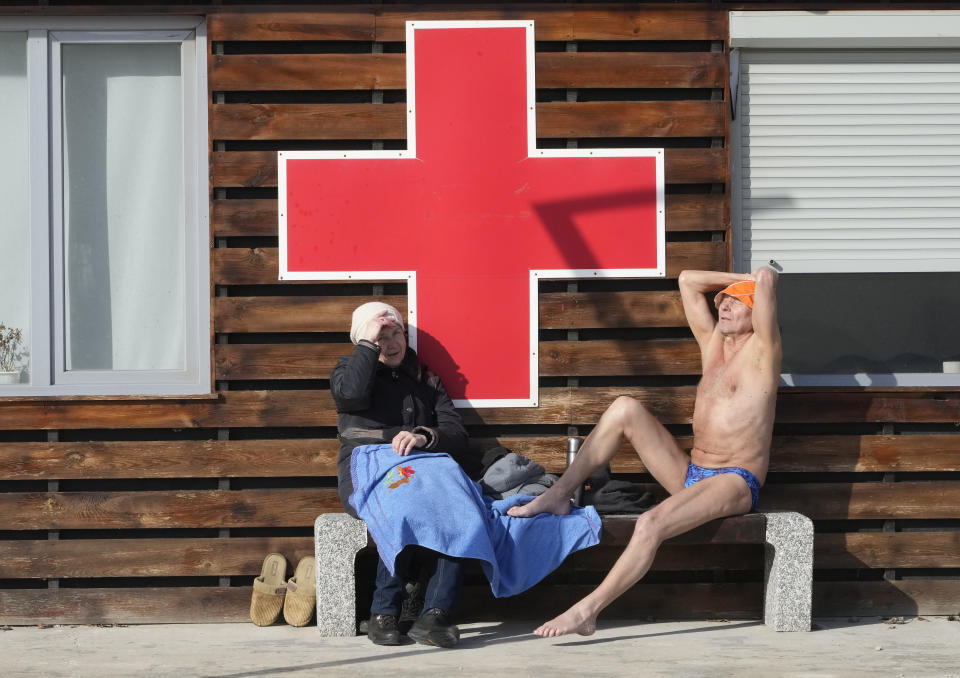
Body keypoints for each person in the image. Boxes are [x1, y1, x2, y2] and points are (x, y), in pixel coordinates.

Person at [507, 267, 781, 637]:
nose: (725, 307)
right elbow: (687, 280)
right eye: (723, 300)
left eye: (737, 301)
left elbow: (765, 279)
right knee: (623, 407)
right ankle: (558, 495)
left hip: (735, 480)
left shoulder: (764, 351)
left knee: (650, 522)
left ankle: (587, 611)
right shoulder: (713, 344)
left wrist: (756, 279)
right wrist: (737, 279)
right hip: (691, 474)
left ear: (757, 311)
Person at [331, 301, 478, 648]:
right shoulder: (347, 371)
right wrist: (367, 344)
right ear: (364, 341)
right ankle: (384, 611)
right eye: (381, 337)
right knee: (402, 502)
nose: (392, 343)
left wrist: (424, 435)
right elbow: (350, 397)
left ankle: (435, 614)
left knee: (461, 503)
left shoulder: (426, 379)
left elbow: (457, 435)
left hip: (423, 470)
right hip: (366, 470)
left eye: (396, 333)